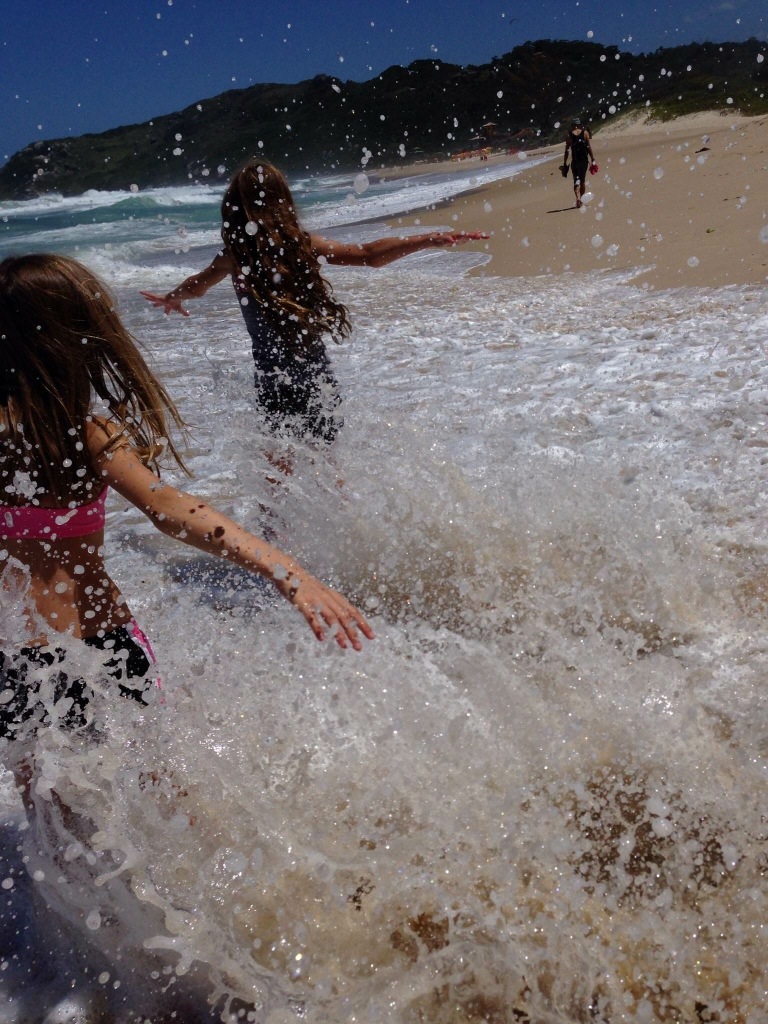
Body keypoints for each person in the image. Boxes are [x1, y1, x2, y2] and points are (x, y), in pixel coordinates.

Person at [0, 253, 374, 760]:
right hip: (101, 642)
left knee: (44, 799)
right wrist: (284, 570)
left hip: (15, 659)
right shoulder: (86, 436)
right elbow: (166, 505)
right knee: (158, 782)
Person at [141, 159, 489, 445]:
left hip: (274, 381)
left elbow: (197, 286)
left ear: (234, 208)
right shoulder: (303, 246)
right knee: (324, 466)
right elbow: (368, 255)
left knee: (278, 472)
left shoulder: (235, 257)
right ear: (282, 200)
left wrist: (173, 298)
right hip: (316, 375)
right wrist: (429, 238)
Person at [563, 119, 596, 209]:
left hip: (575, 161)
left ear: (572, 126)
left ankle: (577, 199)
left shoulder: (569, 136)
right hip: (584, 161)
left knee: (576, 181)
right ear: (580, 125)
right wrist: (592, 158)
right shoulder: (585, 133)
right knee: (582, 181)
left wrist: (565, 163)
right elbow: (588, 147)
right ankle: (581, 200)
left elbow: (566, 151)